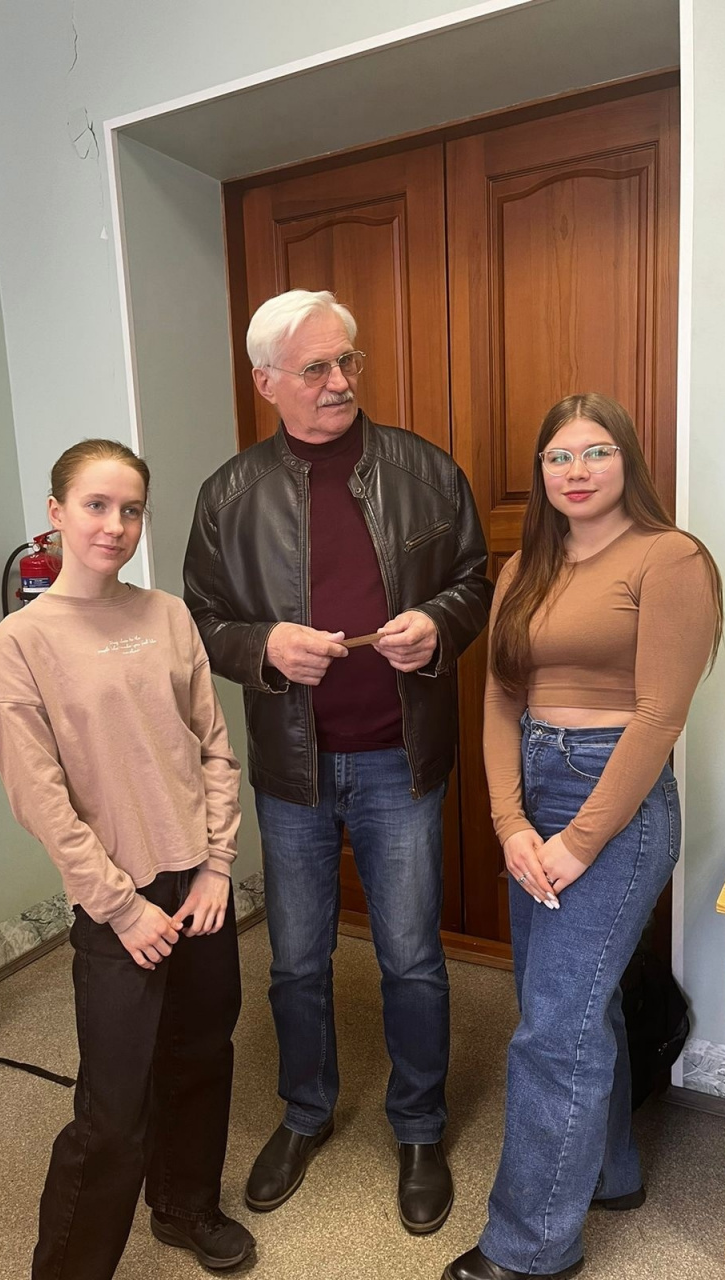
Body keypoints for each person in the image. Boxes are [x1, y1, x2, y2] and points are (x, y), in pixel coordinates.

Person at [184, 289, 492, 1234]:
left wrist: (437, 623)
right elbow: (200, 620)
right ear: (266, 380)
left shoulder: (426, 471)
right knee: (296, 962)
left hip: (401, 758)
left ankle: (419, 1127)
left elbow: (474, 581)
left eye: (348, 360)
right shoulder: (228, 496)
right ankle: (305, 1113)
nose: (339, 382)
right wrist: (265, 645)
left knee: (412, 959)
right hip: (294, 769)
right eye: (315, 367)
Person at [443, 394, 723, 1280]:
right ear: (541, 472)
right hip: (535, 791)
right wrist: (511, 822)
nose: (576, 471)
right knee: (569, 1007)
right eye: (559, 457)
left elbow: (659, 717)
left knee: (553, 1028)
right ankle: (609, 1173)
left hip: (618, 802)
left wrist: (578, 841)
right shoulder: (525, 565)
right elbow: (500, 695)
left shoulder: (669, 558)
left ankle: (532, 1248)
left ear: (626, 459)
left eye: (595, 452)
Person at [0, 439, 255, 1279]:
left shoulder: (167, 615)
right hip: (116, 900)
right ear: (57, 514)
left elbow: (214, 748)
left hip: (198, 889)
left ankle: (184, 1205)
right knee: (113, 1106)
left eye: (131, 509)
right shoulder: (21, 641)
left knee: (201, 1058)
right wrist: (121, 905)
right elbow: (39, 796)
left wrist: (217, 866)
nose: (115, 525)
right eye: (96, 506)